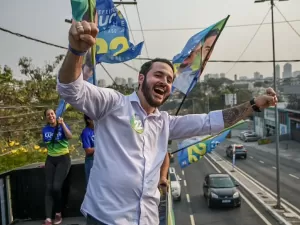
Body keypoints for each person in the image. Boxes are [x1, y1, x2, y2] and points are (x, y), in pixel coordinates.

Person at [57, 20, 278, 225]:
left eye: (170, 79)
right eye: (159, 75)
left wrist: (254, 105)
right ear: (141, 79)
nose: (164, 82)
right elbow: (71, 89)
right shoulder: (114, 104)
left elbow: (212, 121)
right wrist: (76, 51)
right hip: (106, 219)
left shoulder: (165, 123)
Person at [42, 109, 73, 225]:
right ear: (46, 118)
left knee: (56, 187)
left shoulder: (62, 126)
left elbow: (70, 136)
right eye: (48, 115)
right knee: (49, 188)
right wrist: (45, 162)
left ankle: (58, 213)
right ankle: (48, 218)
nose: (50, 116)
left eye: (52, 114)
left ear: (55, 115)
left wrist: (62, 124)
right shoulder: (45, 130)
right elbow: (48, 146)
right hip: (50, 159)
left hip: (63, 159)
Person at [81, 114, 95, 185]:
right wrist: (101, 147)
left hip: (102, 159)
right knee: (91, 184)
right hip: (91, 160)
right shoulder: (86, 132)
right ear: (88, 120)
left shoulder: (100, 129)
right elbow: (88, 151)